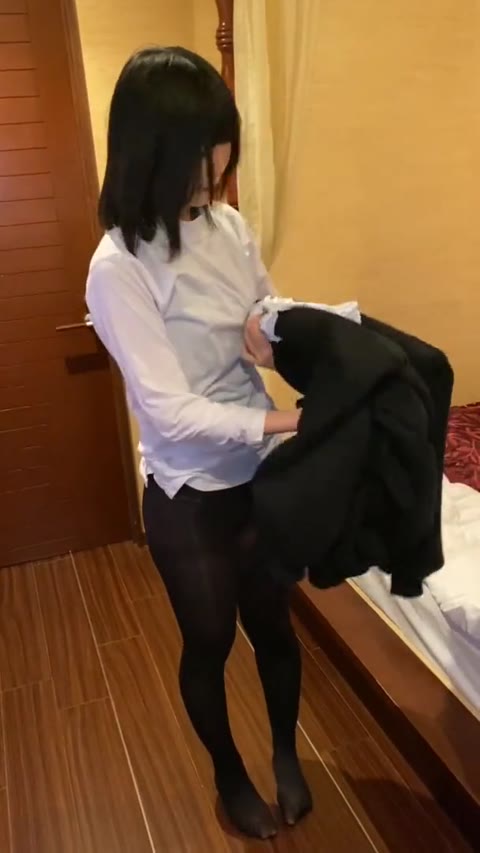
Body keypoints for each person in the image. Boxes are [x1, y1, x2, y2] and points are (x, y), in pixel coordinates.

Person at [86, 46, 312, 840]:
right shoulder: (118, 267)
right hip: (191, 493)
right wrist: (288, 421)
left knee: (275, 625)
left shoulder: (228, 225)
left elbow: (261, 306)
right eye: (203, 165)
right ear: (153, 153)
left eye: (222, 162)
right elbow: (170, 410)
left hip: (260, 475)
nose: (216, 181)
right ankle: (229, 774)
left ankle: (285, 752)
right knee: (210, 641)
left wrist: (285, 331)